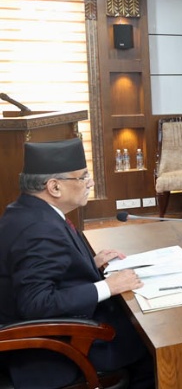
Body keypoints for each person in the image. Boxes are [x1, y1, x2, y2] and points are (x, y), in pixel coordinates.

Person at [0, 139, 153, 388]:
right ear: (54, 187)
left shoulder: (25, 210)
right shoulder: (39, 229)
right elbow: (36, 303)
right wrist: (108, 286)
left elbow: (43, 268)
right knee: (152, 343)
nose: (90, 183)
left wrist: (88, 263)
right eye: (83, 177)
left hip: (58, 334)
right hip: (53, 352)